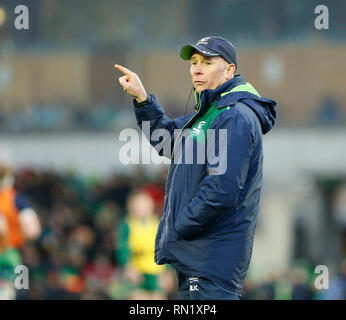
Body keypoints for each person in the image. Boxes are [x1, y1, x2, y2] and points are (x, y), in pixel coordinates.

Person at [114, 36, 277, 300]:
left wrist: (179, 226)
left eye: (207, 63)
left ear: (229, 70)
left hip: (211, 259)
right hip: (197, 256)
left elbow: (221, 190)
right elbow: (165, 141)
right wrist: (143, 100)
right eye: (194, 62)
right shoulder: (210, 114)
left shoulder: (233, 116)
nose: (197, 69)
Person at [0, 163, 41, 299]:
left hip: (11, 254)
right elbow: (33, 231)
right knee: (17, 290)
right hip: (12, 254)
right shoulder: (17, 199)